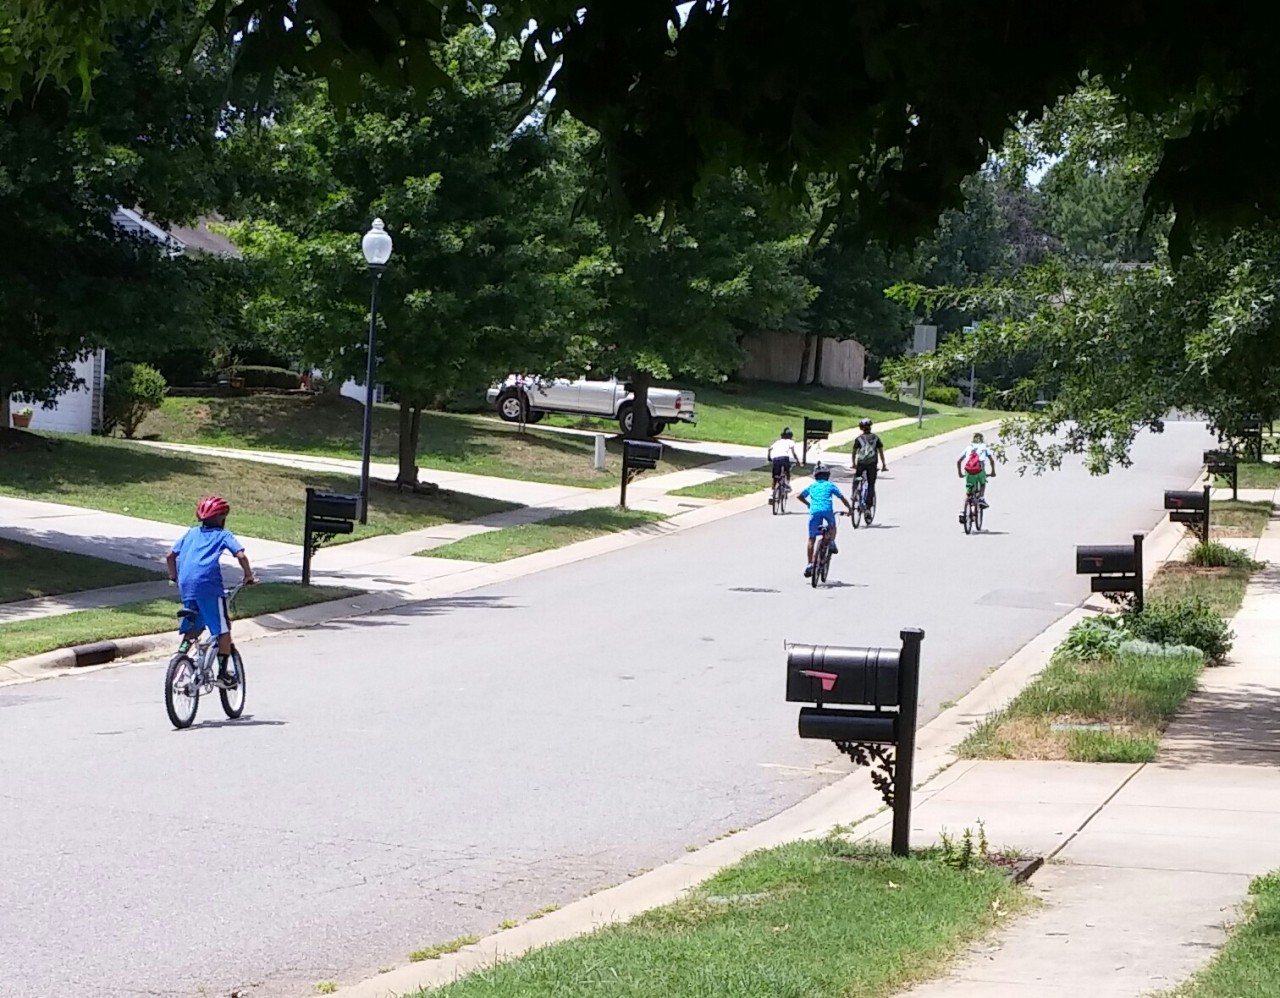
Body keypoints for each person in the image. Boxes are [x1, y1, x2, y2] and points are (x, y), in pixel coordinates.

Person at [166, 496, 255, 687]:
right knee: (223, 630)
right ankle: (223, 674)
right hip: (210, 589)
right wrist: (248, 575)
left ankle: (180, 655)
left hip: (187, 588)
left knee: (193, 628)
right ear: (222, 518)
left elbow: (170, 556)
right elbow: (241, 555)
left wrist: (174, 577)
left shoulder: (191, 533)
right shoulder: (223, 535)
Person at [797, 463, 852, 577]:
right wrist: (849, 509)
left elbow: (800, 496)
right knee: (832, 527)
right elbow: (842, 498)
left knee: (811, 538)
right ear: (827, 475)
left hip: (814, 511)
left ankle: (810, 564)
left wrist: (808, 504)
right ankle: (831, 542)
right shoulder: (830, 485)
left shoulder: (812, 486)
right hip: (827, 511)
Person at [957, 432, 997, 523]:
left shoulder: (968, 448)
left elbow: (959, 461)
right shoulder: (984, 447)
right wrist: (993, 472)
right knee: (982, 483)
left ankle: (963, 511)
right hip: (979, 469)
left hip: (968, 470)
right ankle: (981, 498)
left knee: (968, 491)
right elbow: (991, 460)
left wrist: (960, 473)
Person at [850, 417, 888, 508]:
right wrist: (883, 465)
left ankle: (854, 493)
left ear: (861, 428)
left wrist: (854, 464)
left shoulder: (858, 439)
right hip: (872, 464)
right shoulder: (876, 438)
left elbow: (854, 453)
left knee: (858, 477)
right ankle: (868, 507)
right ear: (870, 427)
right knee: (871, 484)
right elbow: (881, 452)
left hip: (861, 463)